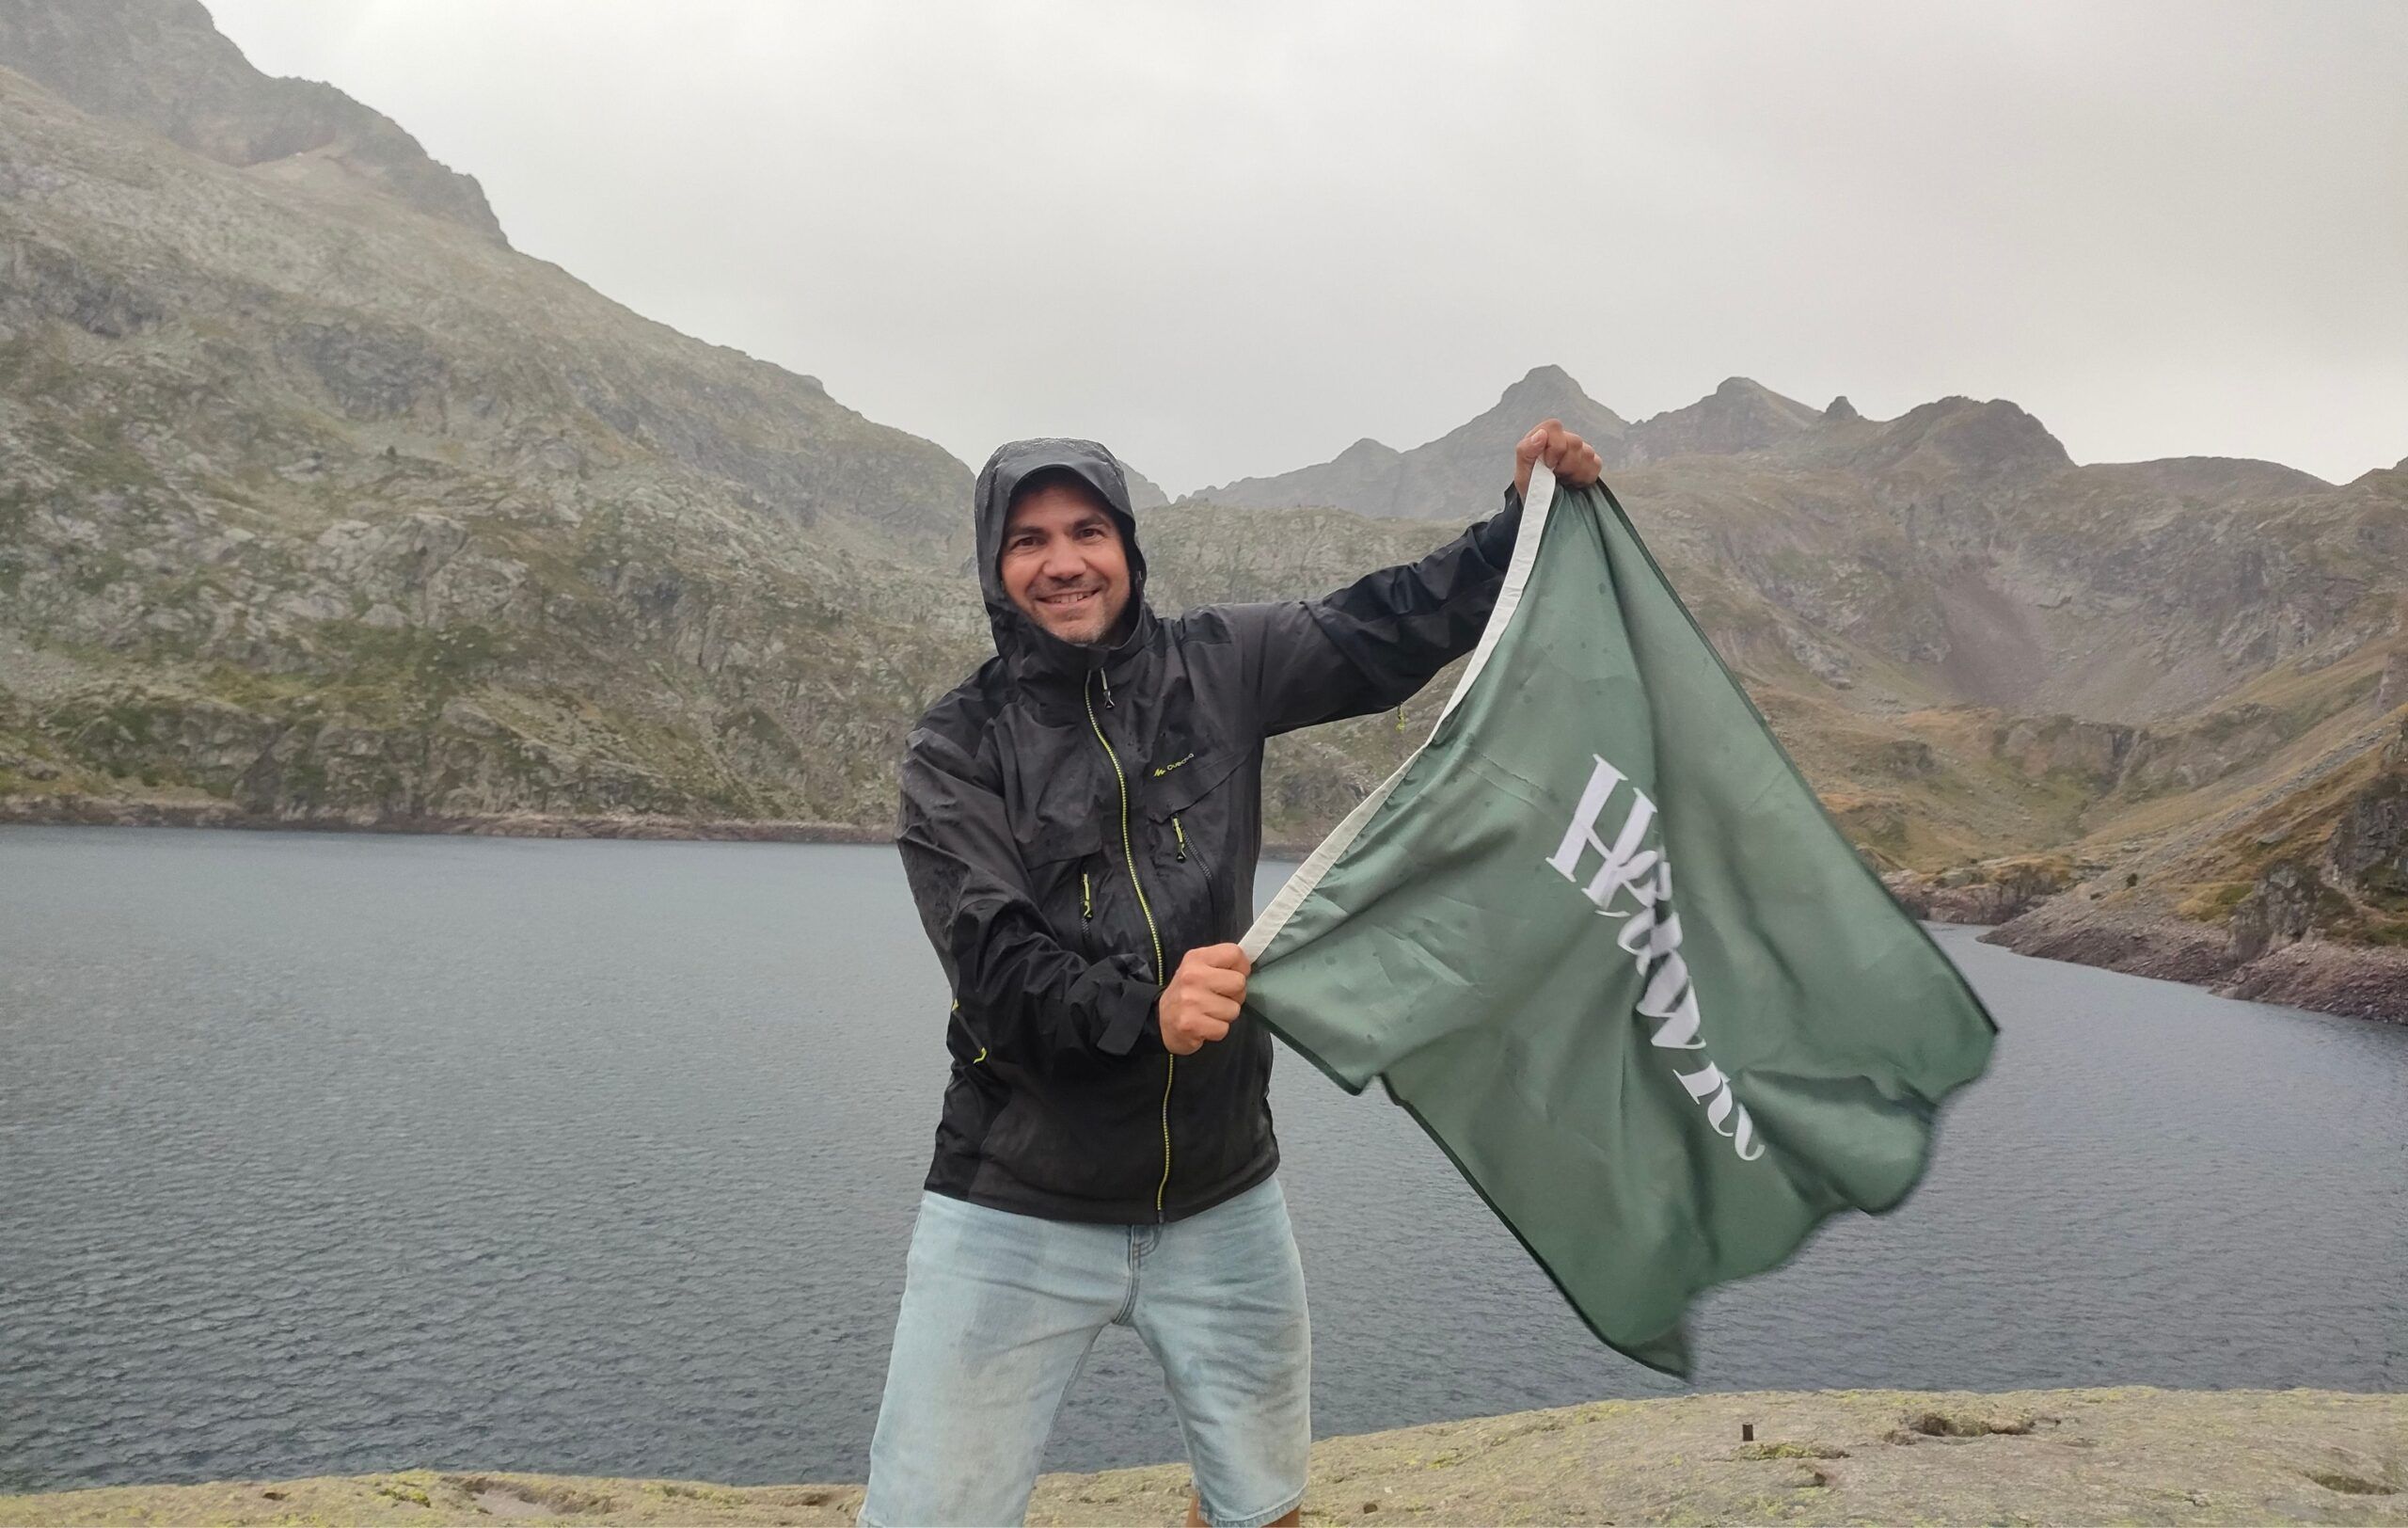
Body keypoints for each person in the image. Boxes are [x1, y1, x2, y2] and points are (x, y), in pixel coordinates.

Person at [861, 422, 1605, 1528]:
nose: (1062, 561)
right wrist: (1142, 1010)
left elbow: (1380, 627)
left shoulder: (1219, 665)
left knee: (1263, 1508)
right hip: (1017, 1204)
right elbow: (993, 965)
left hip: (1222, 1196)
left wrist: (1517, 522)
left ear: (1126, 545)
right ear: (993, 566)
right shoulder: (956, 749)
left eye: (1087, 531)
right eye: (1027, 540)